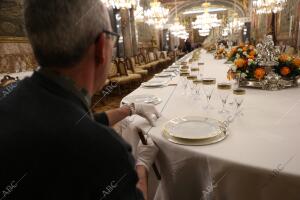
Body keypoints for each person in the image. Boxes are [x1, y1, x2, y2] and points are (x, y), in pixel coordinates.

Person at [0, 0, 160, 199]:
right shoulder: (105, 152)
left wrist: (128, 109)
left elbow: (75, 122)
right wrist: (142, 166)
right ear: (101, 47)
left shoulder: (17, 98)